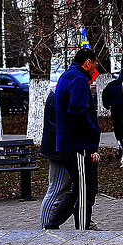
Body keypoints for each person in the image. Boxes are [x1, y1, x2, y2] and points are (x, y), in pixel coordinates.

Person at [43, 48, 101, 230]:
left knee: (79, 187)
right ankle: (82, 228)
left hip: (69, 144)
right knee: (85, 188)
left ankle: (53, 223)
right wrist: (92, 133)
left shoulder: (66, 76)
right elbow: (78, 110)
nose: (95, 68)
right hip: (77, 145)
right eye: (95, 64)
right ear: (88, 62)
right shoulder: (79, 79)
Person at [38, 90, 72, 229]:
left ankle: (86, 223)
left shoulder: (59, 93)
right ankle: (46, 227)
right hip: (60, 152)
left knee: (75, 191)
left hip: (60, 149)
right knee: (56, 192)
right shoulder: (60, 95)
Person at [103, 73, 123, 153]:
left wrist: (106, 105)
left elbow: (105, 95)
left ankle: (120, 142)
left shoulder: (112, 85)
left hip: (115, 108)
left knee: (118, 127)